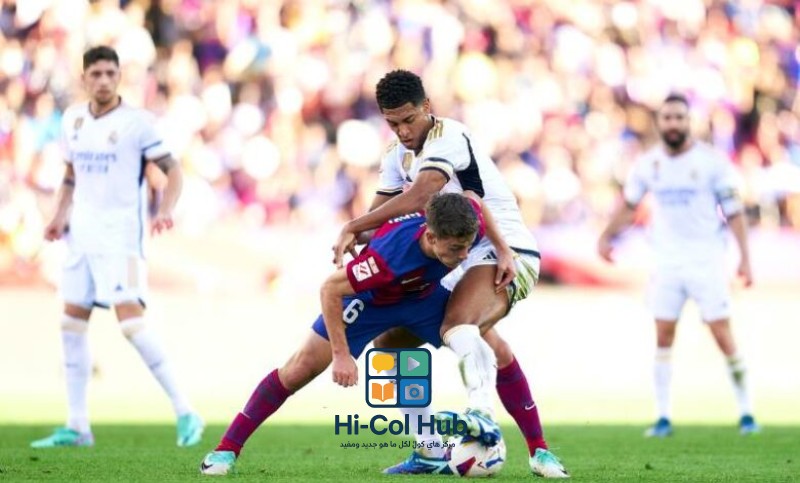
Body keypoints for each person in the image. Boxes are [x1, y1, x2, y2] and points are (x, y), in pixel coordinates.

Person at [332, 70, 567, 478]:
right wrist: (358, 237)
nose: (403, 131)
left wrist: (354, 225)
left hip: (504, 250)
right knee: (392, 346)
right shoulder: (396, 154)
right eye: (393, 123)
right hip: (449, 259)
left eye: (409, 119)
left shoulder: (449, 136)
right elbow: (378, 218)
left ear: (427, 106)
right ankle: (430, 448)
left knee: (460, 324)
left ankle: (485, 417)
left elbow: (421, 194)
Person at [200, 193, 495, 476]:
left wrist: (504, 250)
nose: (464, 255)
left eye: (467, 247)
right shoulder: (387, 257)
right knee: (300, 368)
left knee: (481, 339)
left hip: (421, 297)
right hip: (371, 302)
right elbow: (330, 288)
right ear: (430, 237)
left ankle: (484, 427)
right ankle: (226, 449)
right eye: (456, 249)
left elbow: (476, 202)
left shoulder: (467, 223)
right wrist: (341, 355)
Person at [31, 46, 204, 448]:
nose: (104, 80)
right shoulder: (72, 120)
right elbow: (71, 175)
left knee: (131, 325)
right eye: (97, 74)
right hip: (80, 236)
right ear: (84, 78)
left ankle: (185, 410)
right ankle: (78, 426)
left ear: (119, 77)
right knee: (70, 324)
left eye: (111, 73)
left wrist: (166, 208)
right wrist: (58, 215)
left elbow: (173, 170)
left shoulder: (137, 124)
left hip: (121, 238)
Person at [597, 93, 759, 437]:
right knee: (663, 335)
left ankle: (747, 412)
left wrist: (745, 258)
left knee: (722, 333)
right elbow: (630, 205)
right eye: (667, 117)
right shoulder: (648, 164)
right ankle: (662, 417)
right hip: (666, 262)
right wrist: (606, 236)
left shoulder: (712, 162)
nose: (673, 123)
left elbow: (734, 211)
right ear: (659, 122)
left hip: (706, 260)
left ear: (689, 122)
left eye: (679, 118)